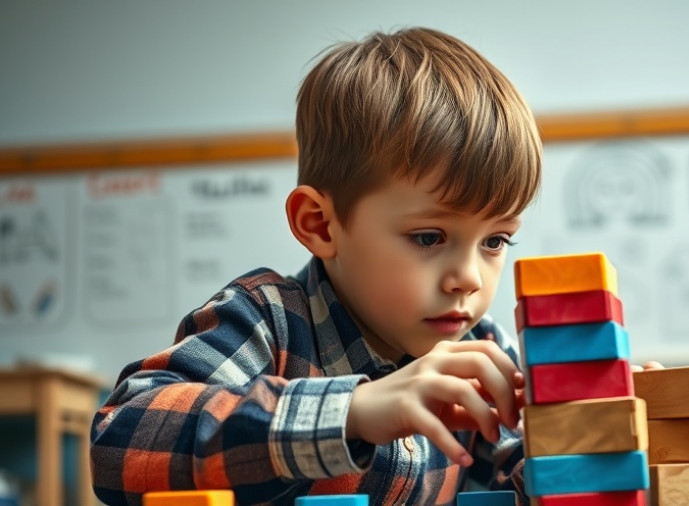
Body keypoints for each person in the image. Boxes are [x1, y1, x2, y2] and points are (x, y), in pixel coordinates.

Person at [90, 27, 542, 505]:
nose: (469, 279)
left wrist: (588, 436)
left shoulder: (483, 350)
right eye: (429, 237)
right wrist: (350, 412)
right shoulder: (266, 319)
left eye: (495, 240)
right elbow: (119, 440)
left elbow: (529, 482)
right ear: (321, 226)